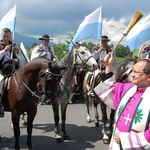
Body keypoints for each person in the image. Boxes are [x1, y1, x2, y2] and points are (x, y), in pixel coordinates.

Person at [94, 52, 150, 149]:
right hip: (116, 143)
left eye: (137, 72)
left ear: (148, 77)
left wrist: (124, 138)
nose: (132, 75)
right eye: (133, 71)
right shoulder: (129, 88)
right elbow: (110, 86)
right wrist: (109, 66)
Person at [0, 28, 20, 117]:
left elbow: (19, 58)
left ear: (10, 36)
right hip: (2, 69)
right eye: (4, 36)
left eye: (7, 36)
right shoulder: (0, 45)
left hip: (13, 67)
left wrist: (15, 60)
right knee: (0, 83)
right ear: (1, 35)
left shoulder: (14, 45)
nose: (5, 38)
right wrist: (4, 51)